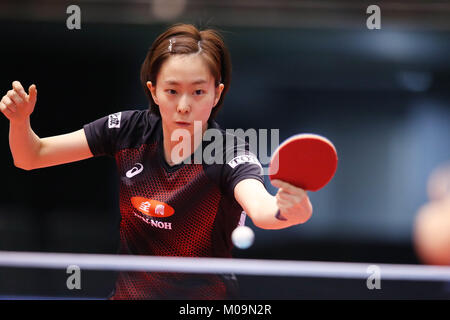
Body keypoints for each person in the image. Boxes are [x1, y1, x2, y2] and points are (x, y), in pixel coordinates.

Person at [0, 23, 312, 299]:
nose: (184, 106)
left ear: (217, 94)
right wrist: (19, 121)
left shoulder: (229, 150)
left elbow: (262, 209)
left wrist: (291, 209)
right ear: (154, 91)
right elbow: (32, 157)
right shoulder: (127, 131)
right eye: (172, 91)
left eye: (198, 91)